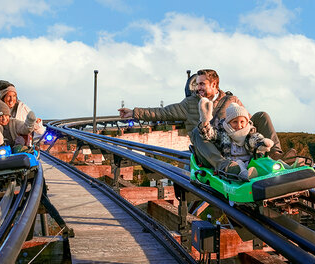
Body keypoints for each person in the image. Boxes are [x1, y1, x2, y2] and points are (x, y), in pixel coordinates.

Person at [119, 69, 290, 174]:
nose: (198, 88)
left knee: (261, 115)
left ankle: (274, 155)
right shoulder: (190, 104)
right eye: (197, 85)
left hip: (234, 143)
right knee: (196, 132)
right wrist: (134, 113)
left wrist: (254, 138)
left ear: (214, 84)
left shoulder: (231, 100)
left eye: (202, 84)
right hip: (209, 148)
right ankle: (227, 167)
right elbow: (162, 112)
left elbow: (247, 122)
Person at [198, 100, 273, 181]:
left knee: (259, 161)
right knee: (240, 165)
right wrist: (205, 123)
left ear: (247, 121)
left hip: (248, 159)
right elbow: (210, 135)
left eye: (242, 122)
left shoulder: (248, 131)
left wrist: (262, 143)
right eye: (235, 122)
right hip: (233, 163)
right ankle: (245, 176)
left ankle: (276, 168)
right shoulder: (222, 132)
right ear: (228, 122)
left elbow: (254, 139)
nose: (239, 125)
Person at [0, 80, 45, 151]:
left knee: (23, 134)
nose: (12, 99)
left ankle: (20, 150)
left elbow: (40, 131)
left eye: (14, 96)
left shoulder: (22, 108)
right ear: (3, 97)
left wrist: (36, 124)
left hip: (18, 145)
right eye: (9, 96)